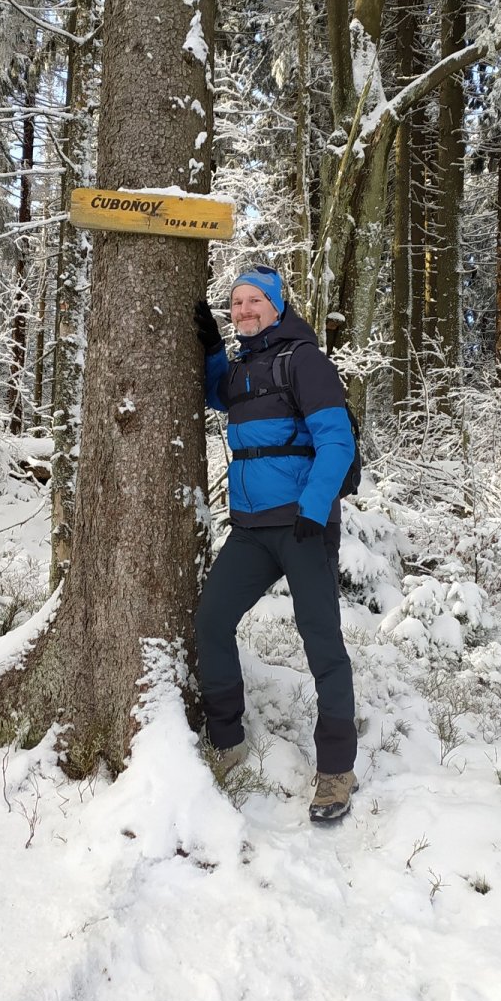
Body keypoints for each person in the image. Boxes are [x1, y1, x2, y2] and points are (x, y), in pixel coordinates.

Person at [194, 265, 358, 824]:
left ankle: (336, 769)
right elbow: (223, 396)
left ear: (277, 305)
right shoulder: (244, 366)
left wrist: (314, 508)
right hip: (251, 529)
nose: (243, 310)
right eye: (236, 302)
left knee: (322, 643)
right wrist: (213, 352)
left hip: (302, 526)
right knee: (212, 619)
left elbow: (336, 440)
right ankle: (227, 740)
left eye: (254, 301)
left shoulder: (304, 361)